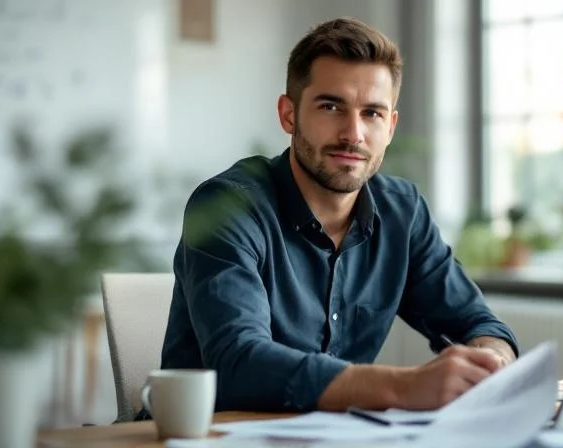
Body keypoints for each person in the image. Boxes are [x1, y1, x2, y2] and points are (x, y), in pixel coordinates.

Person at [158, 17, 518, 415]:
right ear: (289, 115)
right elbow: (238, 363)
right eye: (331, 106)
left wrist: (492, 362)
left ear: (391, 126)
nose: (353, 133)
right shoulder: (228, 206)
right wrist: (405, 386)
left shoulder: (402, 211)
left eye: (373, 113)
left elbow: (478, 323)